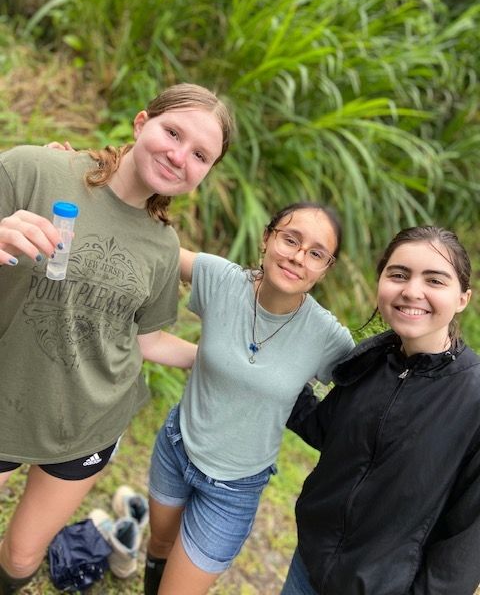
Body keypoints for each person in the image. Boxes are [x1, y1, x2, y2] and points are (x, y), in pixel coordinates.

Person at [0, 82, 234, 594]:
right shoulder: (36, 170)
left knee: (20, 555)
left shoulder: (163, 246)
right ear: (140, 121)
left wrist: (213, 360)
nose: (179, 157)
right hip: (6, 396)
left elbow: (147, 341)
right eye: (172, 132)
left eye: (200, 155)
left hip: (89, 419)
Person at [143, 202, 355, 595]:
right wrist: (84, 174)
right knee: (159, 545)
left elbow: (379, 388)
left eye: (316, 253)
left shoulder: (328, 337)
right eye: (290, 239)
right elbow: (151, 244)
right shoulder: (223, 280)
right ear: (267, 238)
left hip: (235, 488)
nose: (297, 257)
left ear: (326, 268)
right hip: (177, 448)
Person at [281, 225, 480, 595]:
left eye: (434, 280)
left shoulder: (474, 397)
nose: (411, 291)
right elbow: (327, 430)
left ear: (463, 298)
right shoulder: (374, 359)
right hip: (309, 565)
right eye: (398, 274)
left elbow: (467, 541)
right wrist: (271, 373)